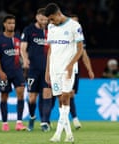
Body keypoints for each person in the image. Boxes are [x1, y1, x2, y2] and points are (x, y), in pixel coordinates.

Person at [44, 3, 84, 142]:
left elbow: (80, 49)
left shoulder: (74, 26)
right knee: (60, 100)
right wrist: (47, 70)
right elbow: (50, 50)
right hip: (54, 69)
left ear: (58, 13)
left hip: (67, 69)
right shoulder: (51, 27)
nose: (51, 22)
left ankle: (57, 134)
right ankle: (69, 135)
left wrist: (71, 65)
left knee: (66, 97)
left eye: (52, 19)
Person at [20, 8, 53, 132]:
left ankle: (44, 122)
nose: (44, 21)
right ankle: (32, 116)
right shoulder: (29, 30)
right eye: (42, 18)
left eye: (46, 19)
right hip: (33, 69)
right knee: (32, 98)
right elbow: (23, 48)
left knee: (46, 94)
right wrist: (25, 59)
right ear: (37, 17)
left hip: (48, 70)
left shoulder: (52, 31)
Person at [0, 14, 27, 131]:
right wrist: (0, 71)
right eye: (9, 23)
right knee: (4, 96)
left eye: (13, 23)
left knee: (21, 94)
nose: (11, 25)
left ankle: (19, 122)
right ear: (4, 24)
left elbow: (23, 52)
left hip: (17, 72)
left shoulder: (18, 38)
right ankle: (5, 123)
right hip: (5, 73)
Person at [69, 15, 95, 130]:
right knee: (58, 96)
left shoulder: (79, 37)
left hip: (74, 68)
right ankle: (47, 120)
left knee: (70, 94)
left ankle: (74, 119)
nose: (76, 24)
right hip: (61, 68)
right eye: (74, 22)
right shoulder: (63, 35)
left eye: (77, 22)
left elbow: (84, 55)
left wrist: (89, 69)